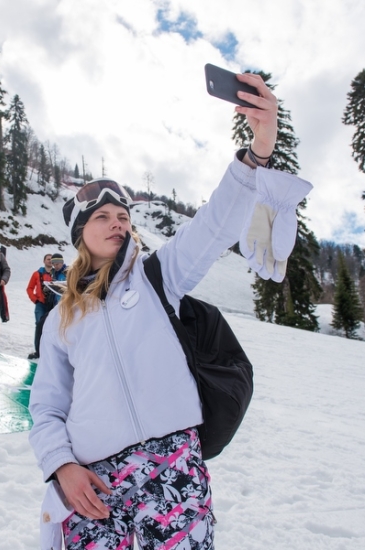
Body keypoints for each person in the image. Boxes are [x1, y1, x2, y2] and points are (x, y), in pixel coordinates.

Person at [29, 73, 311, 549]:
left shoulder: (160, 276)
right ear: (79, 235)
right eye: (102, 217)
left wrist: (259, 149)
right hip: (93, 482)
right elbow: (46, 406)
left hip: (173, 466)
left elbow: (216, 223)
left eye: (123, 216)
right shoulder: (62, 318)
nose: (117, 222)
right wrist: (62, 467)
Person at [26, 253, 66, 360]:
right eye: (51, 261)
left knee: (56, 328)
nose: (53, 264)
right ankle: (39, 351)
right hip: (42, 303)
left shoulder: (64, 272)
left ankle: (55, 353)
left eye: (56, 263)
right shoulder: (40, 273)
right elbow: (29, 288)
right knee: (40, 324)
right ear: (44, 261)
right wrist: (35, 299)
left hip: (58, 305)